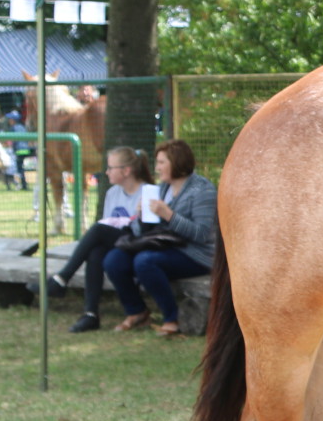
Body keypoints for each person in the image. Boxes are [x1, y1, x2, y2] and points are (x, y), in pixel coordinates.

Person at [101, 138, 216, 337]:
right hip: (165, 247)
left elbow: (202, 234)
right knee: (114, 260)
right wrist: (141, 217)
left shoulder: (202, 190)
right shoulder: (161, 188)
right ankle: (136, 312)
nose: (157, 167)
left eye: (162, 162)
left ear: (177, 162)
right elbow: (145, 233)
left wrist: (169, 215)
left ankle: (172, 318)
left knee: (145, 262)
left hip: (196, 254)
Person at [48, 146, 152, 333]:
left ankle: (62, 278)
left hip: (140, 244)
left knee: (96, 230)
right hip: (119, 243)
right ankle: (90, 315)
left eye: (111, 168)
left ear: (126, 171)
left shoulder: (148, 192)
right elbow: (109, 226)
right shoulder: (112, 193)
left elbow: (145, 232)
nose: (106, 172)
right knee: (95, 253)